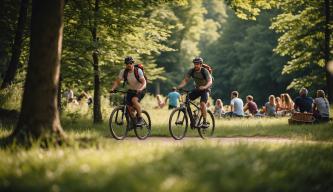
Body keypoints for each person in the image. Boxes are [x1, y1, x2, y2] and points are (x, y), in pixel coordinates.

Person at [110, 56, 147, 126]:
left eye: (130, 63)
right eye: (127, 63)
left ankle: (140, 118)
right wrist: (112, 88)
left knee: (134, 100)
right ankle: (133, 122)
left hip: (141, 89)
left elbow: (144, 82)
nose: (129, 65)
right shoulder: (123, 72)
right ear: (125, 64)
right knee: (128, 107)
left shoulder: (138, 71)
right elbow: (117, 81)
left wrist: (141, 89)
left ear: (133, 63)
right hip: (131, 90)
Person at [177, 56, 213, 128]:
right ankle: (193, 119)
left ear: (200, 64)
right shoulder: (191, 71)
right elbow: (185, 80)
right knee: (187, 99)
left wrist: (205, 87)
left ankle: (205, 122)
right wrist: (179, 87)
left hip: (206, 90)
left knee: (202, 103)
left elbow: (210, 81)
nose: (196, 65)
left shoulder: (204, 71)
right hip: (198, 89)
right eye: (195, 64)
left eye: (197, 64)